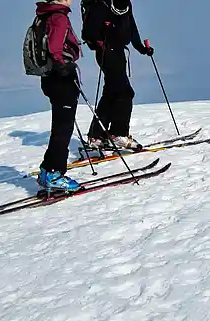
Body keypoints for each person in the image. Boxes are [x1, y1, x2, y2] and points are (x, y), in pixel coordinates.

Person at [81, 0, 154, 151]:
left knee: (111, 93)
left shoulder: (125, 4)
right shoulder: (101, 5)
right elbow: (88, 32)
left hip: (118, 51)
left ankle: (96, 136)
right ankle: (118, 134)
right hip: (107, 53)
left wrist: (141, 48)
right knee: (125, 92)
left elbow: (131, 27)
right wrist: (100, 42)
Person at [35, 0, 83, 193]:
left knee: (60, 126)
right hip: (60, 77)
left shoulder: (43, 14)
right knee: (63, 128)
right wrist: (64, 65)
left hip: (48, 76)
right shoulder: (58, 17)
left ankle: (47, 171)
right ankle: (55, 174)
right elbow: (55, 47)